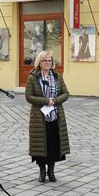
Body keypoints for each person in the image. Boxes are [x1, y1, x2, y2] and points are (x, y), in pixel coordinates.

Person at [25, 51, 70, 183]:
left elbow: (66, 93)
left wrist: (55, 100)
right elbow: (28, 96)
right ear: (39, 62)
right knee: (40, 145)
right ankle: (42, 171)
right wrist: (45, 101)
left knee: (53, 144)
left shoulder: (57, 76)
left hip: (56, 116)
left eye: (50, 61)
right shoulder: (33, 77)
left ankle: (51, 171)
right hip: (39, 118)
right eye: (45, 61)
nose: (48, 63)